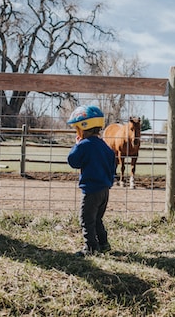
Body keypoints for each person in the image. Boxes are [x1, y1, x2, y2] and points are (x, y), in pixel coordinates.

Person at [66, 105, 116, 256]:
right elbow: (113, 165)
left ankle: (91, 247)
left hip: (91, 190)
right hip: (104, 190)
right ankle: (104, 243)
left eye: (76, 128)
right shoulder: (105, 146)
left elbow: (73, 161)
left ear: (83, 127)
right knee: (97, 219)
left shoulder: (84, 145)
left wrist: (77, 145)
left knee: (86, 219)